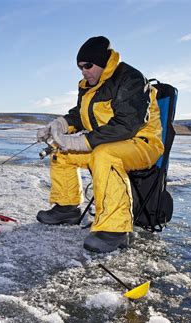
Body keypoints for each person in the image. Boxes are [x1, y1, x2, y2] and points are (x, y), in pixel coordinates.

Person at [36, 36, 164, 253]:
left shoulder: (130, 79)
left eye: (88, 65)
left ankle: (115, 229)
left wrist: (82, 141)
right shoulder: (88, 86)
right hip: (107, 141)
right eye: (80, 67)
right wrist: (59, 125)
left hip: (141, 144)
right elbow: (80, 115)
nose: (83, 71)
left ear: (103, 62)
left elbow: (127, 125)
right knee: (61, 153)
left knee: (104, 155)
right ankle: (67, 208)